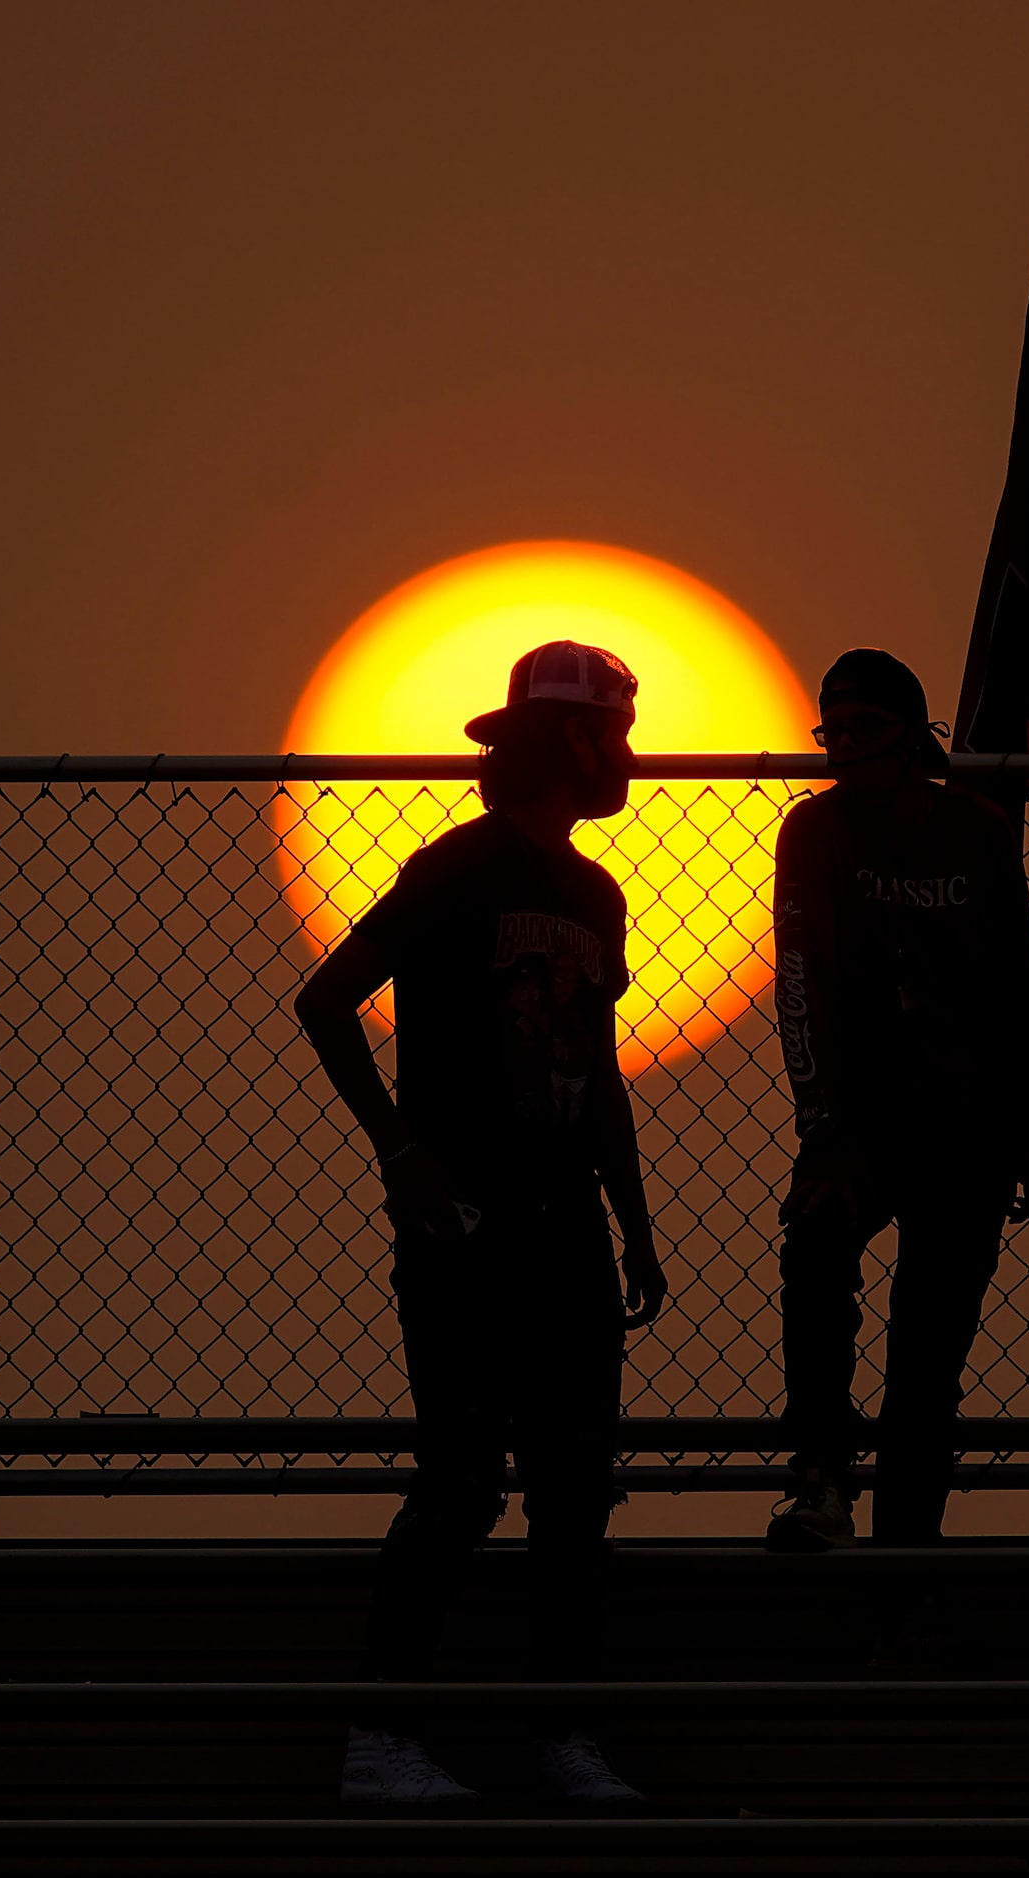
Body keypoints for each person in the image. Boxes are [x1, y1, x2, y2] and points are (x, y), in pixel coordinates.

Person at [294, 640, 669, 1805]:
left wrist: (634, 1218)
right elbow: (325, 999)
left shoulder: (594, 893)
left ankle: (564, 1734)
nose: (625, 755)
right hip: (463, 1220)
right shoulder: (457, 869)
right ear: (571, 738)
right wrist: (400, 1152)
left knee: (573, 1489)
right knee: (461, 1479)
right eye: (613, 730)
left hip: (568, 1230)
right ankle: (381, 1733)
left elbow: (596, 1065)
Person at [764, 648, 1029, 1551]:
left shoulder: (976, 829)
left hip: (967, 1124)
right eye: (831, 729)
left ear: (911, 734)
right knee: (813, 1251)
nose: (842, 747)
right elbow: (801, 985)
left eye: (863, 729)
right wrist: (826, 1132)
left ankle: (905, 1570)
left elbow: (1018, 980)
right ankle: (821, 1481)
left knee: (926, 1362)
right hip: (864, 1121)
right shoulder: (813, 832)